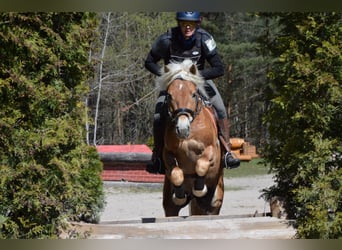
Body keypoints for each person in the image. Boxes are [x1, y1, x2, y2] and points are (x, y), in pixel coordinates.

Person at [145, 12, 240, 174]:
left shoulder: (204, 39)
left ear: (198, 23)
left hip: (198, 80)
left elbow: (219, 68)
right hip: (174, 83)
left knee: (220, 109)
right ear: (179, 23)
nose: (187, 27)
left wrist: (194, 76)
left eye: (191, 23)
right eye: (183, 23)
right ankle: (158, 156)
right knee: (158, 114)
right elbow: (149, 62)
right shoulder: (166, 39)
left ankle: (226, 152)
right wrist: (166, 75)